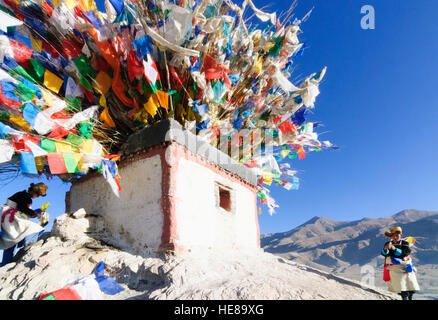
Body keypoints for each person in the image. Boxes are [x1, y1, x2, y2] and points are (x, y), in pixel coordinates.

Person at [0, 182, 48, 267]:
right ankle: (29, 247)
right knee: (33, 229)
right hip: (10, 220)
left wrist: (37, 212)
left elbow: (24, 211)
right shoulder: (24, 196)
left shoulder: (24, 196)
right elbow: (23, 209)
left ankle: (5, 264)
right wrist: (36, 214)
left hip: (11, 220)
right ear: (34, 191)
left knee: (12, 242)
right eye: (38, 194)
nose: (37, 197)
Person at [381, 226, 420, 300]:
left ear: (400, 235)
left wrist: (395, 249)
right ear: (391, 236)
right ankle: (404, 296)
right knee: (400, 284)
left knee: (410, 283)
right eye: (393, 235)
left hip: (406, 265)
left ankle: (410, 295)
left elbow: (405, 253)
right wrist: (385, 249)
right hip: (394, 266)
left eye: (397, 235)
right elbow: (384, 254)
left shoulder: (405, 243)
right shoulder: (388, 243)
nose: (395, 237)